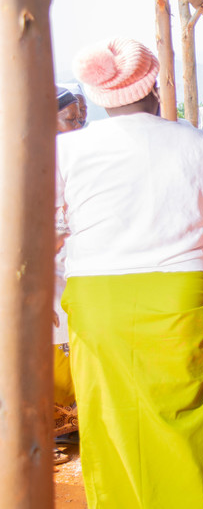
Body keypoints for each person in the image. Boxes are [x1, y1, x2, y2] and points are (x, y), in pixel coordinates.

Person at [60, 37, 203, 508]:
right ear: (154, 86)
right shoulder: (202, 144)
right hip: (176, 295)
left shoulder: (65, 150)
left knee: (112, 416)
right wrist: (182, 241)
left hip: (94, 302)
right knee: (185, 414)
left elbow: (49, 232)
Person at [53, 87, 83, 461]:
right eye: (69, 119)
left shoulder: (77, 158)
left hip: (76, 266)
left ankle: (73, 425)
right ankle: (54, 431)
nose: (78, 125)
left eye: (79, 118)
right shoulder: (28, 161)